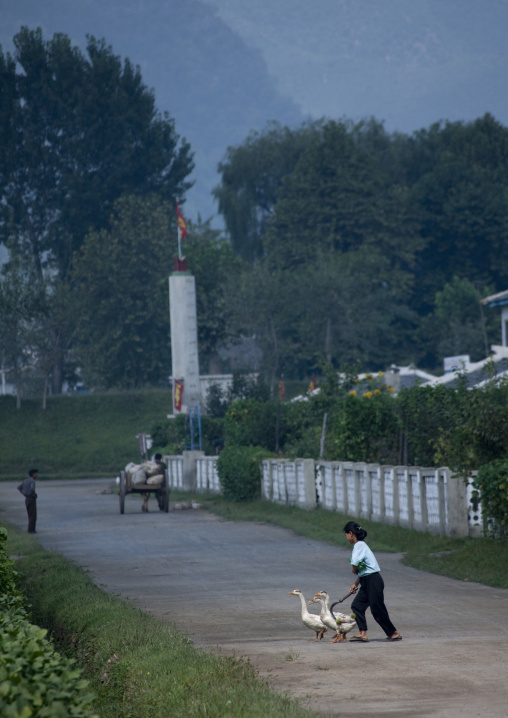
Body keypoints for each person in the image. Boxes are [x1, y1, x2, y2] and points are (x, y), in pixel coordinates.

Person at [343, 520, 401, 643]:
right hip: (367, 580)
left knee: (377, 608)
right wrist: (356, 583)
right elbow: (364, 570)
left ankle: (393, 633)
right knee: (357, 605)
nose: (346, 537)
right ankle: (362, 633)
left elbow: (355, 563)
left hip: (373, 580)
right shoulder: (362, 546)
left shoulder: (359, 545)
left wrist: (354, 569)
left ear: (351, 533)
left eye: (346, 535)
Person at [17, 469, 38, 534]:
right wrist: (34, 495)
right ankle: (31, 530)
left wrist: (24, 494)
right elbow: (32, 490)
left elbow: (19, 488)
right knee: (33, 515)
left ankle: (31, 529)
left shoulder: (25, 480)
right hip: (31, 499)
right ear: (33, 474)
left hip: (27, 499)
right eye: (36, 474)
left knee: (29, 514)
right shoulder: (32, 481)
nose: (37, 475)